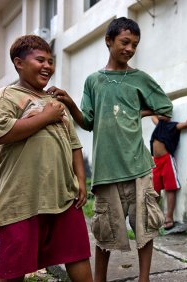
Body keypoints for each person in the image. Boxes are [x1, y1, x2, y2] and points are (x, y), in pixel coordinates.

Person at [55, 17, 173, 282]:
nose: (130, 48)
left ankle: (144, 278)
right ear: (108, 41)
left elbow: (165, 107)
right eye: (124, 42)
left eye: (135, 44)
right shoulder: (94, 81)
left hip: (138, 166)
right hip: (107, 170)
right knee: (105, 232)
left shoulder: (139, 79)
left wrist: (136, 112)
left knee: (144, 228)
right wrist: (70, 103)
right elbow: (87, 122)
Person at [0, 35, 93, 281]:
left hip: (63, 196)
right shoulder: (6, 97)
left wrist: (80, 180)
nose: (48, 65)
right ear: (19, 63)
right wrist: (45, 117)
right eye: (40, 60)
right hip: (21, 199)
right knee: (12, 269)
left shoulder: (55, 102)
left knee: (77, 255)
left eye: (51, 60)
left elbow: (74, 144)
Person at [150, 98, 187, 230]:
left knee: (170, 188)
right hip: (155, 162)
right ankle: (154, 216)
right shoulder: (158, 125)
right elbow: (152, 116)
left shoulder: (172, 126)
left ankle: (169, 217)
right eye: (159, 111)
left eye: (164, 111)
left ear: (169, 115)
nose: (160, 114)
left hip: (166, 160)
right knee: (155, 189)